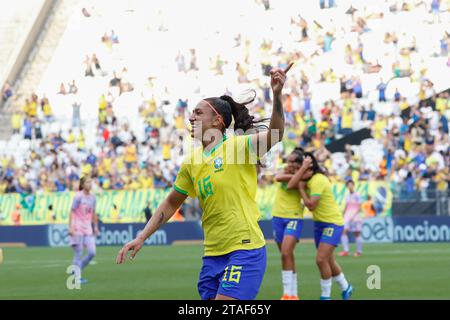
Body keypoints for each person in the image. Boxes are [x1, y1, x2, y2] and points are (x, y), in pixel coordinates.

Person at [116, 62, 293, 300]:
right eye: (192, 113)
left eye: (198, 113)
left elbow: (276, 133)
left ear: (217, 121)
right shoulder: (191, 162)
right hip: (212, 254)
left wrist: (277, 94)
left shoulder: (238, 146)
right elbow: (171, 203)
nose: (190, 117)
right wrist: (141, 237)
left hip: (245, 249)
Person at [287, 152, 353, 300]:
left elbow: (311, 205)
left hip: (332, 223)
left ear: (309, 170)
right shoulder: (310, 179)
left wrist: (302, 189)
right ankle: (346, 287)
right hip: (319, 224)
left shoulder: (318, 180)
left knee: (321, 260)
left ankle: (325, 296)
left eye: (301, 170)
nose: (298, 173)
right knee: (329, 260)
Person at [271, 148, 305, 300]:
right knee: (286, 255)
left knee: (286, 252)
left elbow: (292, 184)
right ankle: (293, 295)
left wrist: (300, 172)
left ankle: (287, 293)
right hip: (277, 217)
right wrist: (297, 173)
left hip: (294, 217)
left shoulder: (305, 177)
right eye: (288, 161)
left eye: (293, 161)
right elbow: (278, 178)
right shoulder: (284, 171)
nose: (289, 164)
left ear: (299, 164)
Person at [68, 176, 99, 284]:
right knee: (79, 252)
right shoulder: (78, 196)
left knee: (92, 252)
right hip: (77, 227)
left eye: (91, 182)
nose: (90, 184)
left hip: (88, 228)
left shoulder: (93, 197)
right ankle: (77, 277)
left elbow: (93, 212)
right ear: (82, 184)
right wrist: (71, 227)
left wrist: (95, 227)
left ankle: (77, 269)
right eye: (87, 182)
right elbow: (72, 211)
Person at [339, 180, 363, 257]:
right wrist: (343, 214)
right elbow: (346, 206)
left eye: (351, 185)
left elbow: (359, 207)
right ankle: (346, 251)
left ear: (353, 185)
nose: (350, 186)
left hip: (355, 217)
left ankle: (359, 251)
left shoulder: (357, 195)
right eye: (348, 185)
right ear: (347, 187)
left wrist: (354, 215)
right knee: (343, 232)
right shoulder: (347, 196)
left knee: (357, 234)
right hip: (347, 216)